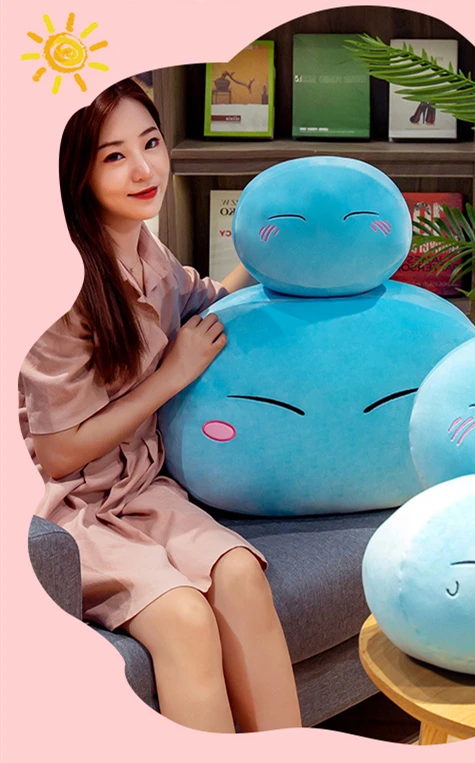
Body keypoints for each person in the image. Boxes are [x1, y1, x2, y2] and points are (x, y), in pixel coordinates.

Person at [17, 79, 302, 733]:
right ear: (76, 172)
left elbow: (210, 302)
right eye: (114, 156)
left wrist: (275, 240)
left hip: (143, 487)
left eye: (150, 143)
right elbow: (57, 454)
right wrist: (171, 376)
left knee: (240, 573)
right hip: (69, 511)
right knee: (183, 616)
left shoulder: (148, 251)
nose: (144, 169)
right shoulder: (57, 283)